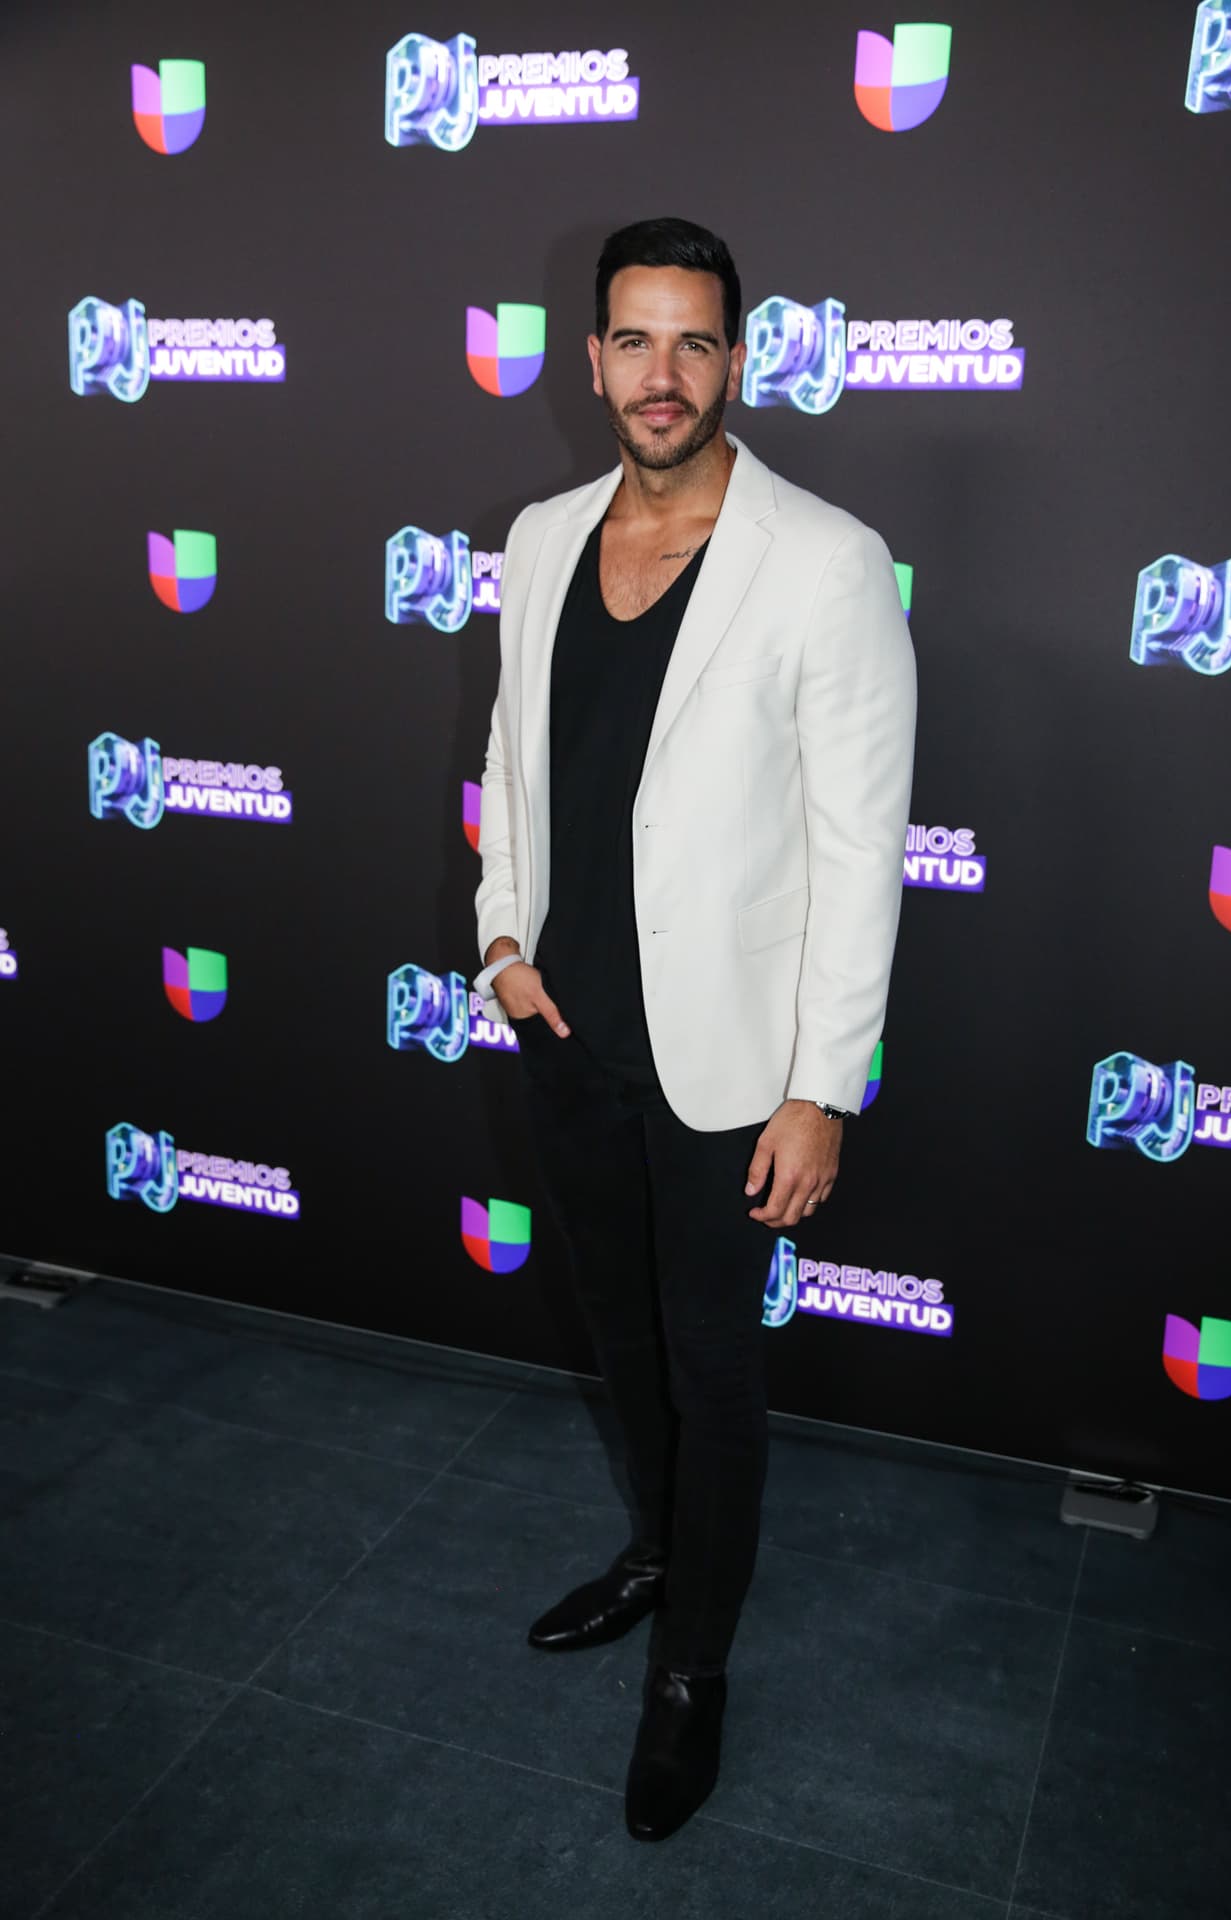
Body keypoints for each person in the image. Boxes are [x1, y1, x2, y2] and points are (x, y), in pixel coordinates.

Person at [473, 216, 916, 1841]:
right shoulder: (539, 537)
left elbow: (863, 850)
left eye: (695, 342)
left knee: (714, 1365)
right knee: (624, 1333)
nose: (663, 374)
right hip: (570, 1032)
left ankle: (691, 1673)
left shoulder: (827, 561)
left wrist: (822, 1089)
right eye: (635, 340)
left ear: (738, 359)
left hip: (732, 1064)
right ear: (593, 359)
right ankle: (658, 1554)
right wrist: (502, 941)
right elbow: (513, 761)